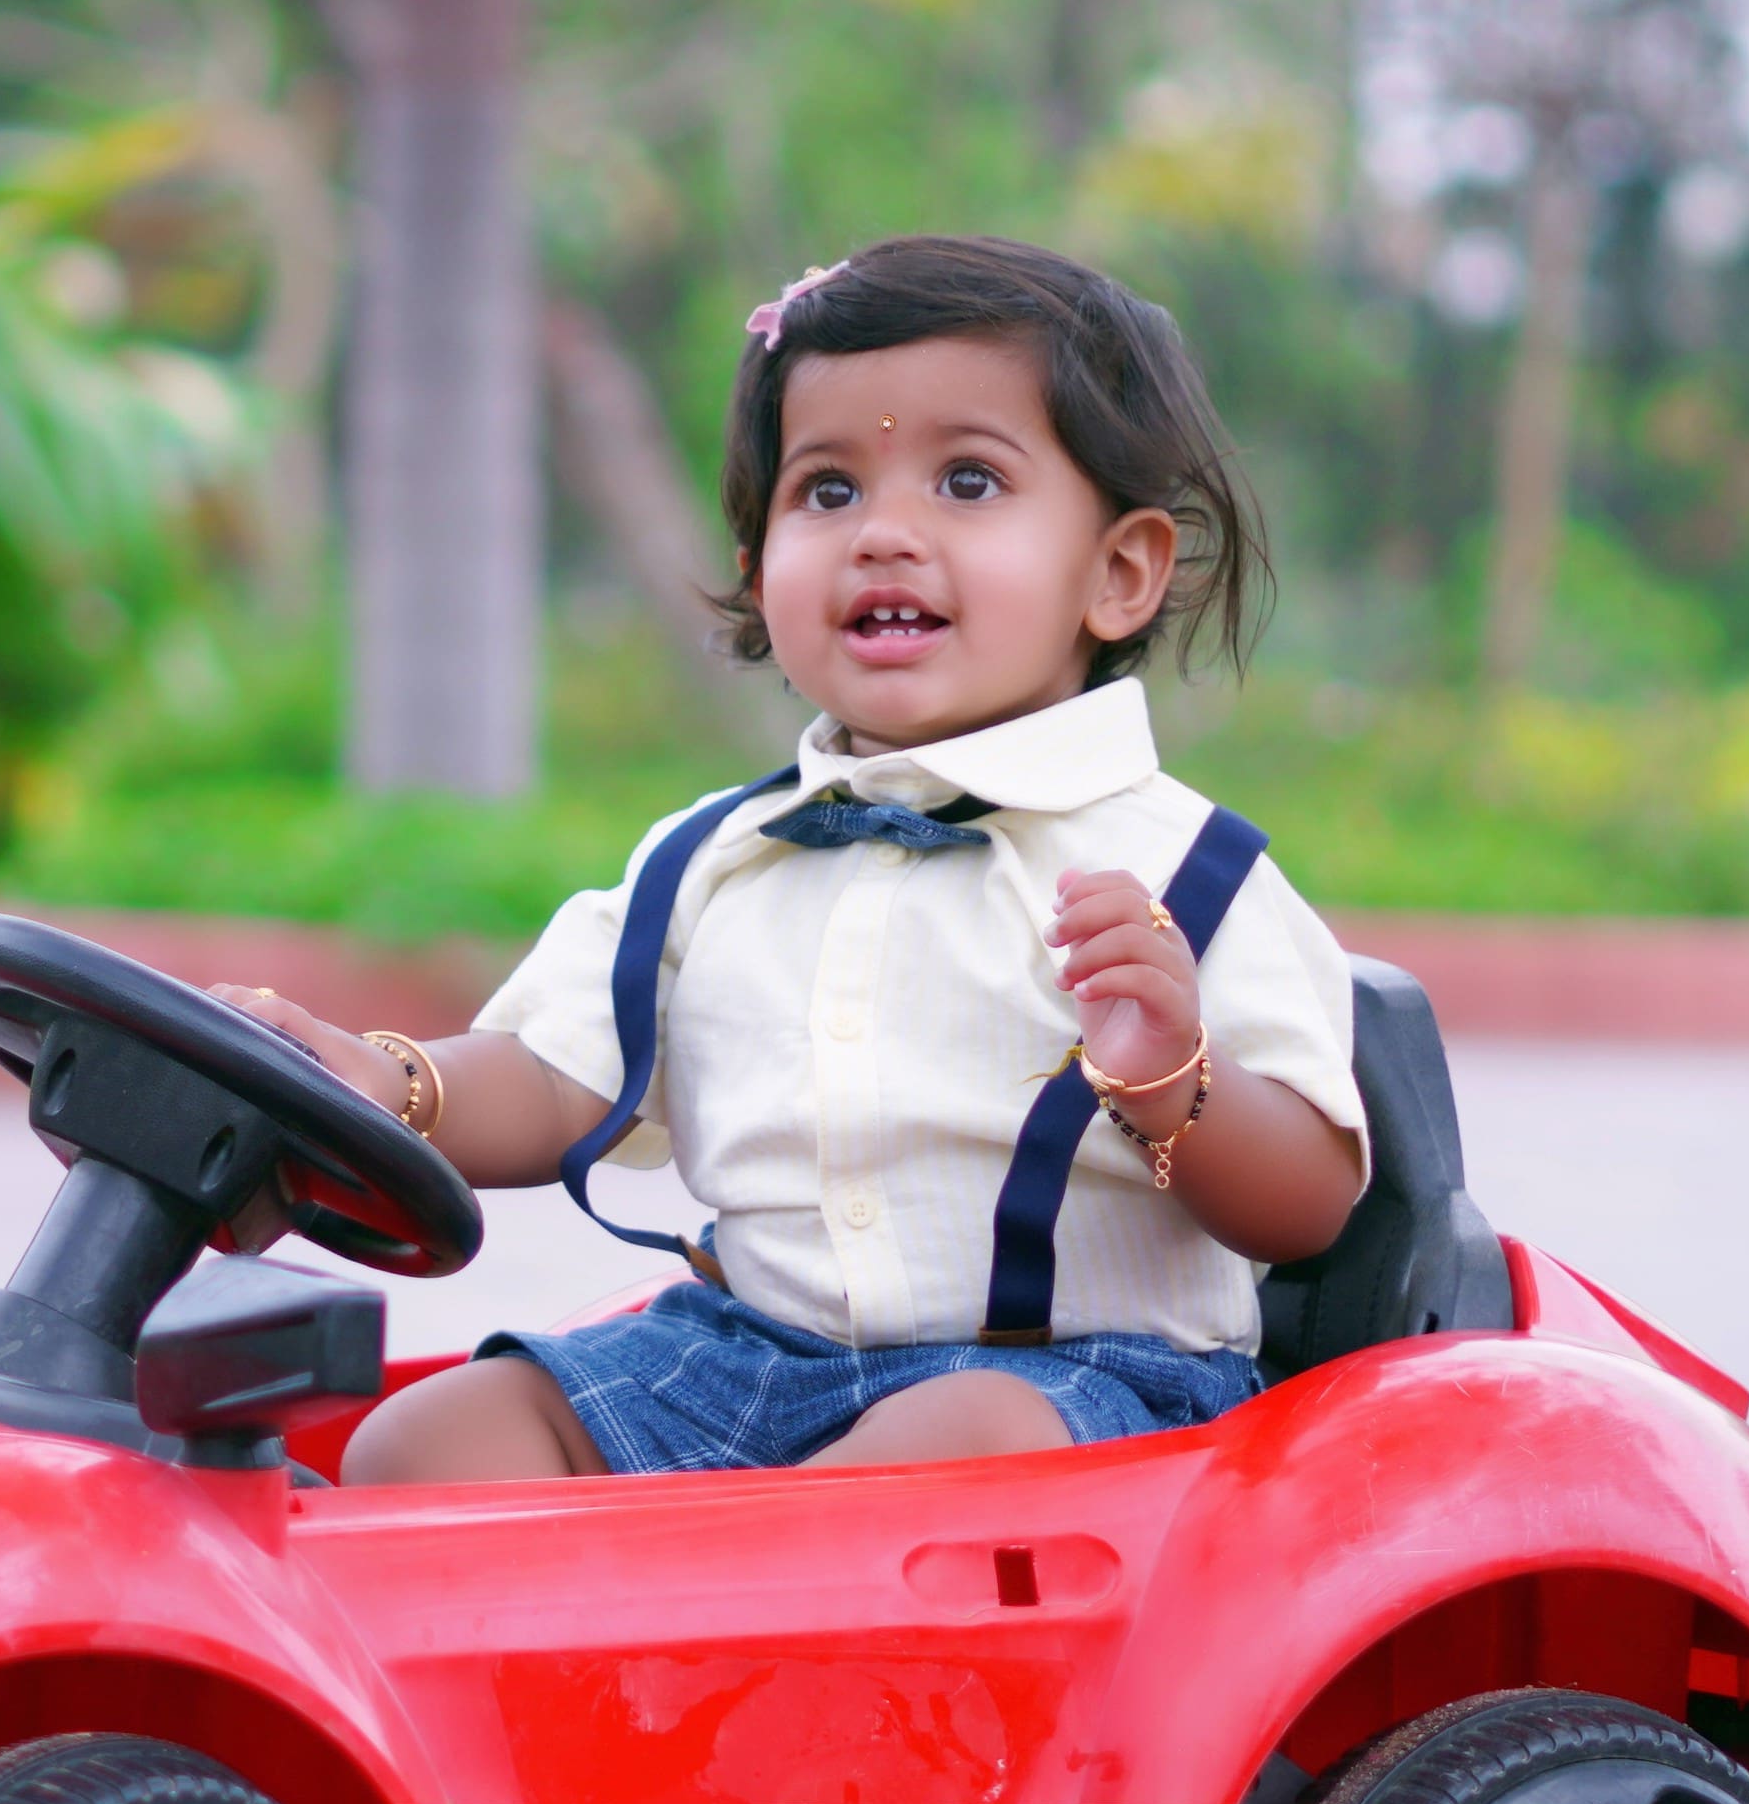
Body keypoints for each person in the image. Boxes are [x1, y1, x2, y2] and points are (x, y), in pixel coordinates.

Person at [227, 234, 1367, 1482]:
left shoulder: (1185, 873)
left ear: (1118, 570)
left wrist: (1172, 1083)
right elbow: (554, 1076)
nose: (884, 533)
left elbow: (1309, 1208)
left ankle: (749, 1656)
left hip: (1067, 1383)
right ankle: (592, 1679)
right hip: (751, 1355)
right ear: (755, 568)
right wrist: (381, 1086)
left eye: (968, 483)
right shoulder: (709, 859)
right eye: (827, 491)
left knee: (936, 1455)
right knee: (429, 1442)